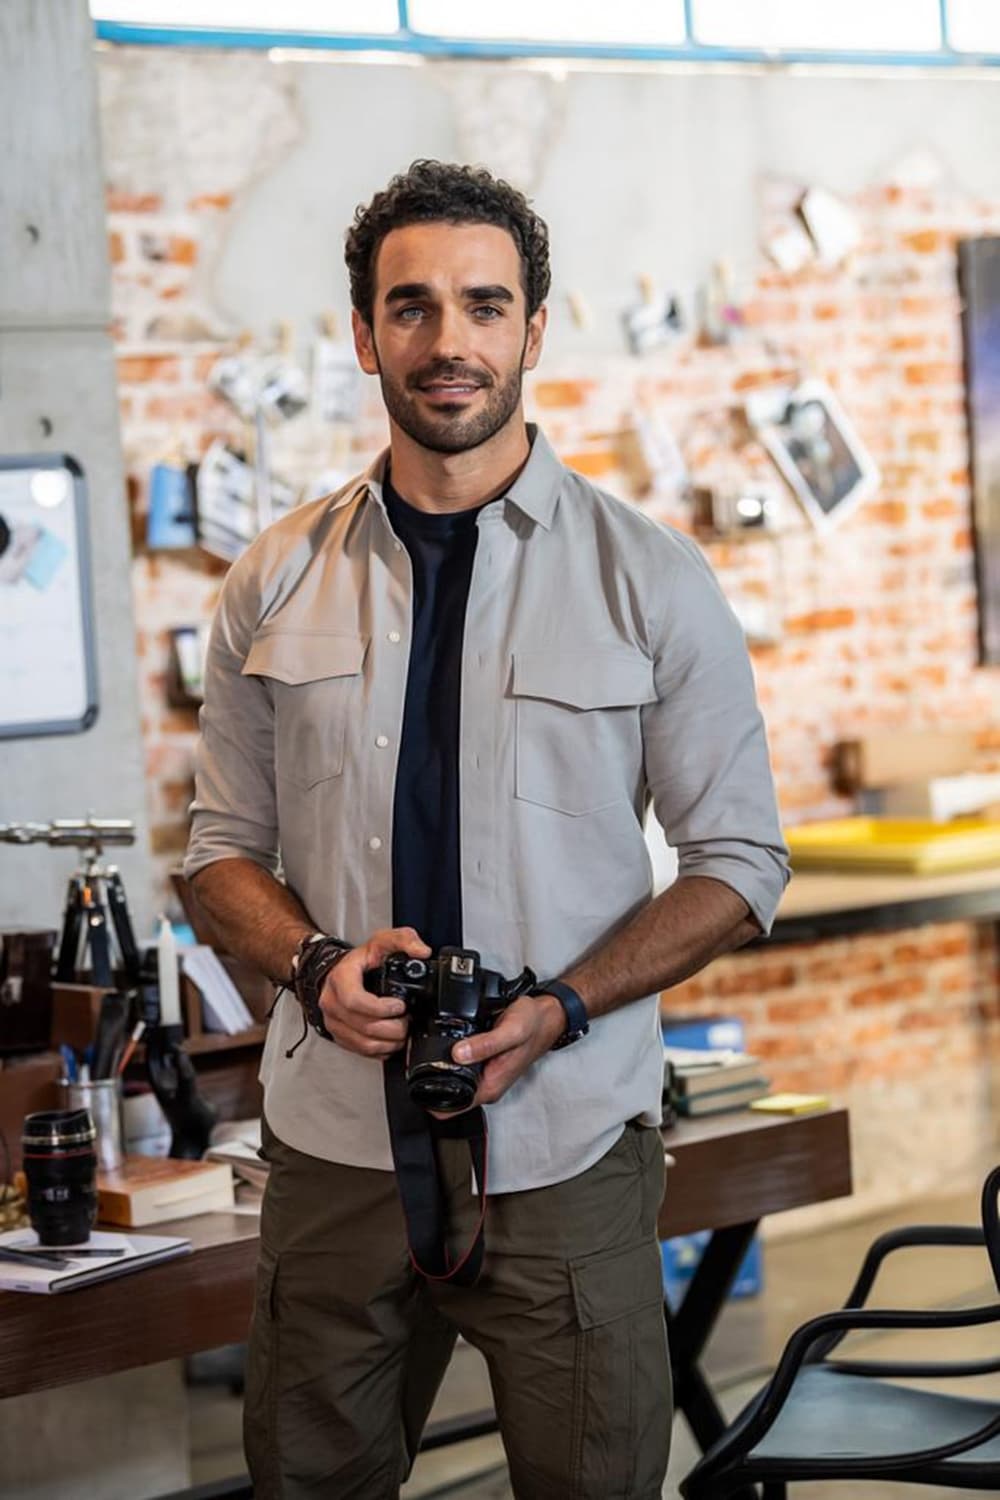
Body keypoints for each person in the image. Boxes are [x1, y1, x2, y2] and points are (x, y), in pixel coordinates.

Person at [184, 159, 789, 1500]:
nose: (447, 340)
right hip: (333, 1158)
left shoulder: (649, 578)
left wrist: (563, 1007)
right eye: (410, 306)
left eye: (483, 305)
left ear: (534, 329)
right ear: (364, 335)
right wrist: (312, 967)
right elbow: (219, 854)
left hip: (565, 1150)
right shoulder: (272, 579)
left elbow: (742, 864)